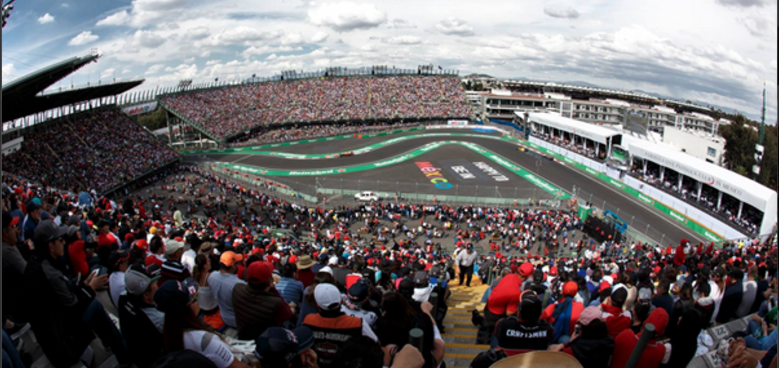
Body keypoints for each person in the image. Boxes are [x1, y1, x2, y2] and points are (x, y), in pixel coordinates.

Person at [23, 219, 132, 367]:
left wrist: (83, 286)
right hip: (59, 337)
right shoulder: (49, 272)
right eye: (60, 240)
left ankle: (109, 342)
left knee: (91, 301)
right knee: (95, 306)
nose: (64, 243)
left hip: (53, 326)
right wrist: (90, 288)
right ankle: (123, 355)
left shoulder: (37, 262)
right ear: (50, 245)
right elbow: (71, 303)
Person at [154, 278, 251, 368]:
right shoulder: (204, 340)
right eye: (194, 299)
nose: (197, 301)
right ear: (188, 308)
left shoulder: (168, 331)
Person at [302, 283, 378, 368]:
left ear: (318, 306)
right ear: (341, 301)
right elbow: (376, 344)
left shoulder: (308, 320)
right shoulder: (358, 323)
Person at [118, 263, 165, 368]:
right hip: (154, 360)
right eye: (155, 284)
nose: (158, 286)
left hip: (135, 352)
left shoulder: (123, 297)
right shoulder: (158, 319)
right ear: (146, 294)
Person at [232, 261, 293, 340]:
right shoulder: (275, 302)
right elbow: (288, 315)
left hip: (243, 336)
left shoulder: (237, 289)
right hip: (265, 341)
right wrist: (272, 288)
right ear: (269, 282)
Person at [549, 306, 615, 368]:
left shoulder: (575, 348)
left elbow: (551, 351)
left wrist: (569, 342)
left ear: (582, 327)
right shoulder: (609, 341)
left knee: (563, 338)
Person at [493, 291, 554, 356]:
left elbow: (496, 334)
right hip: (535, 363)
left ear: (519, 312)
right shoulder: (548, 329)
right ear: (539, 314)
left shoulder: (503, 325)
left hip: (506, 362)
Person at [209, 251, 246, 329]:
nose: (239, 265)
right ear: (232, 266)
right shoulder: (239, 284)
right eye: (237, 263)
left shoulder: (212, 276)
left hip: (224, 316)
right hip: (238, 321)